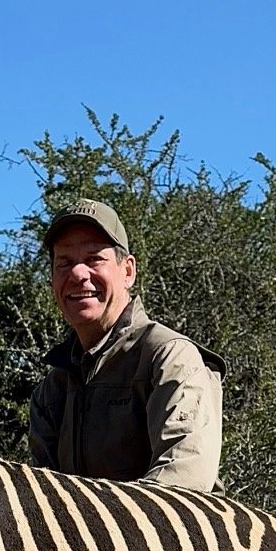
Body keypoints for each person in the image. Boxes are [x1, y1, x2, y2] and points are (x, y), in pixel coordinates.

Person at [19, 196, 223, 490]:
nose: (78, 274)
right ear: (52, 278)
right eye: (64, 262)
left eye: (94, 259)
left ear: (128, 271)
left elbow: (184, 485)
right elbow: (41, 499)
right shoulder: (52, 390)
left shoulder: (168, 357)